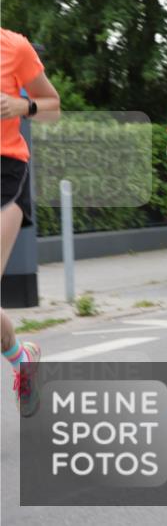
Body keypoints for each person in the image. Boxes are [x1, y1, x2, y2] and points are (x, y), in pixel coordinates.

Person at [1, 28, 60, 416]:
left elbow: (52, 105)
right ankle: (22, 358)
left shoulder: (14, 47)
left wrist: (23, 107)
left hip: (5, 169)